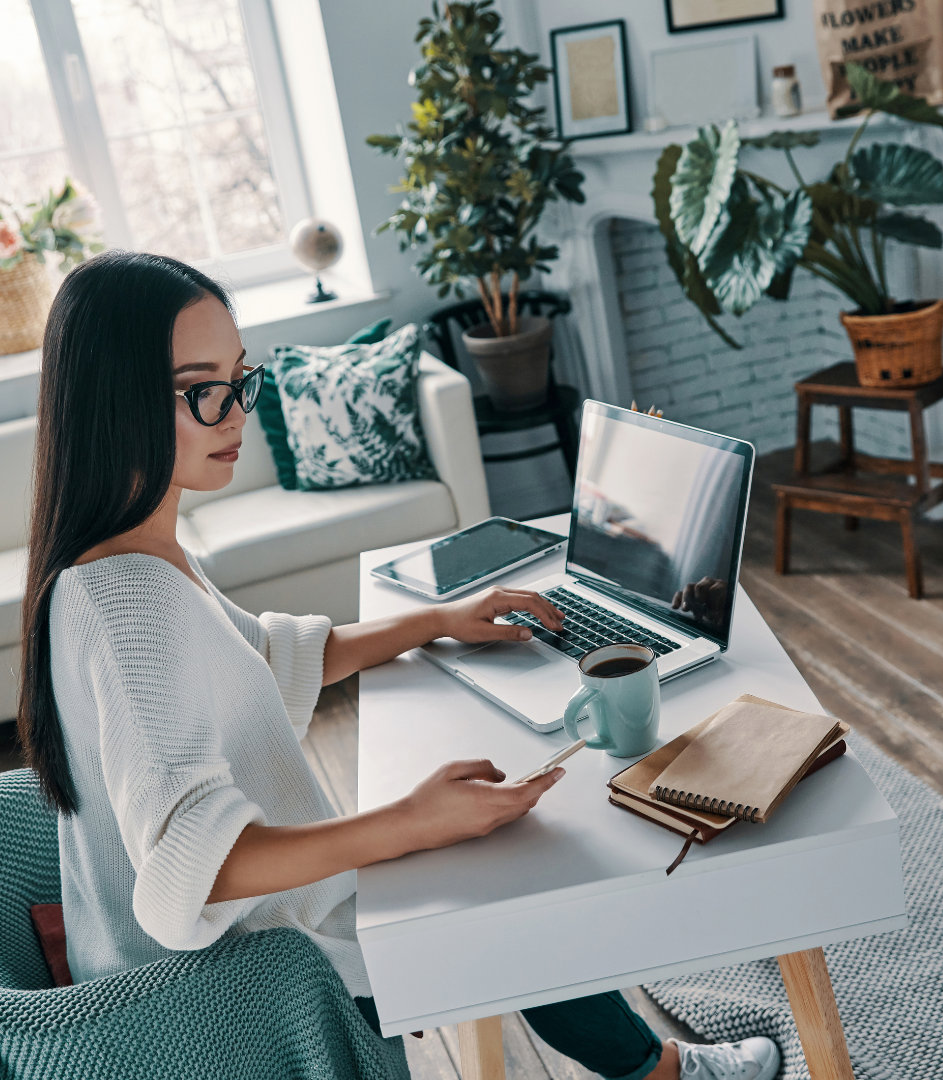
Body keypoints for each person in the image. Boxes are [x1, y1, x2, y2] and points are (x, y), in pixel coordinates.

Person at [16, 250, 781, 1080]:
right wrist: (411, 824)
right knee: (505, 890)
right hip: (230, 996)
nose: (236, 414)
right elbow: (192, 870)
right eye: (205, 391)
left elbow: (262, 657)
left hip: (246, 945)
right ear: (114, 400)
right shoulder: (126, 606)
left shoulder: (132, 560)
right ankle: (664, 1073)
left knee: (480, 858)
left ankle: (651, 1068)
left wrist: (437, 620)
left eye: (243, 380)